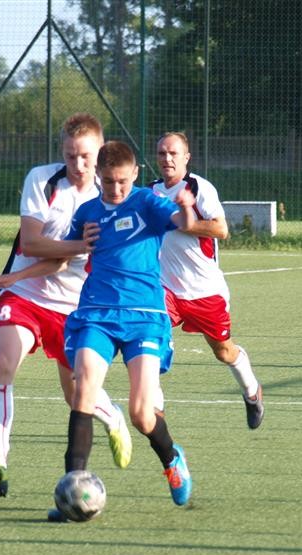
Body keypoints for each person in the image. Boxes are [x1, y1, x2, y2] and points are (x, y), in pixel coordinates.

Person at [0, 113, 132, 499]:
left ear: (101, 152)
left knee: (74, 393)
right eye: (70, 156)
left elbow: (61, 262)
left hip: (74, 306)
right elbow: (32, 244)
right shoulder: (42, 180)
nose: (78, 165)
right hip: (25, 294)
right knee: (3, 363)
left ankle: (113, 417)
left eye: (86, 156)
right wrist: (16, 277)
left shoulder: (109, 197)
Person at [49, 140, 197, 520]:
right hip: (96, 313)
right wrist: (76, 243)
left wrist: (185, 208)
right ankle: (71, 488)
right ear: (98, 176)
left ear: (134, 174)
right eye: (109, 181)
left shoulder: (147, 202)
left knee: (142, 415)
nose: (116, 189)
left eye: (123, 181)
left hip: (144, 316)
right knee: (83, 389)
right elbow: (68, 251)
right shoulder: (88, 212)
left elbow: (183, 224)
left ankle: (171, 459)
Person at [151, 131, 264, 429]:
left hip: (204, 291)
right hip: (165, 289)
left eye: (173, 153)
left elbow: (220, 229)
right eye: (162, 153)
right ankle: (154, 417)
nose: (167, 158)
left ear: (186, 157)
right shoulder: (150, 192)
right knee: (149, 345)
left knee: (223, 351)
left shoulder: (199, 188)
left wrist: (180, 221)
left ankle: (252, 391)